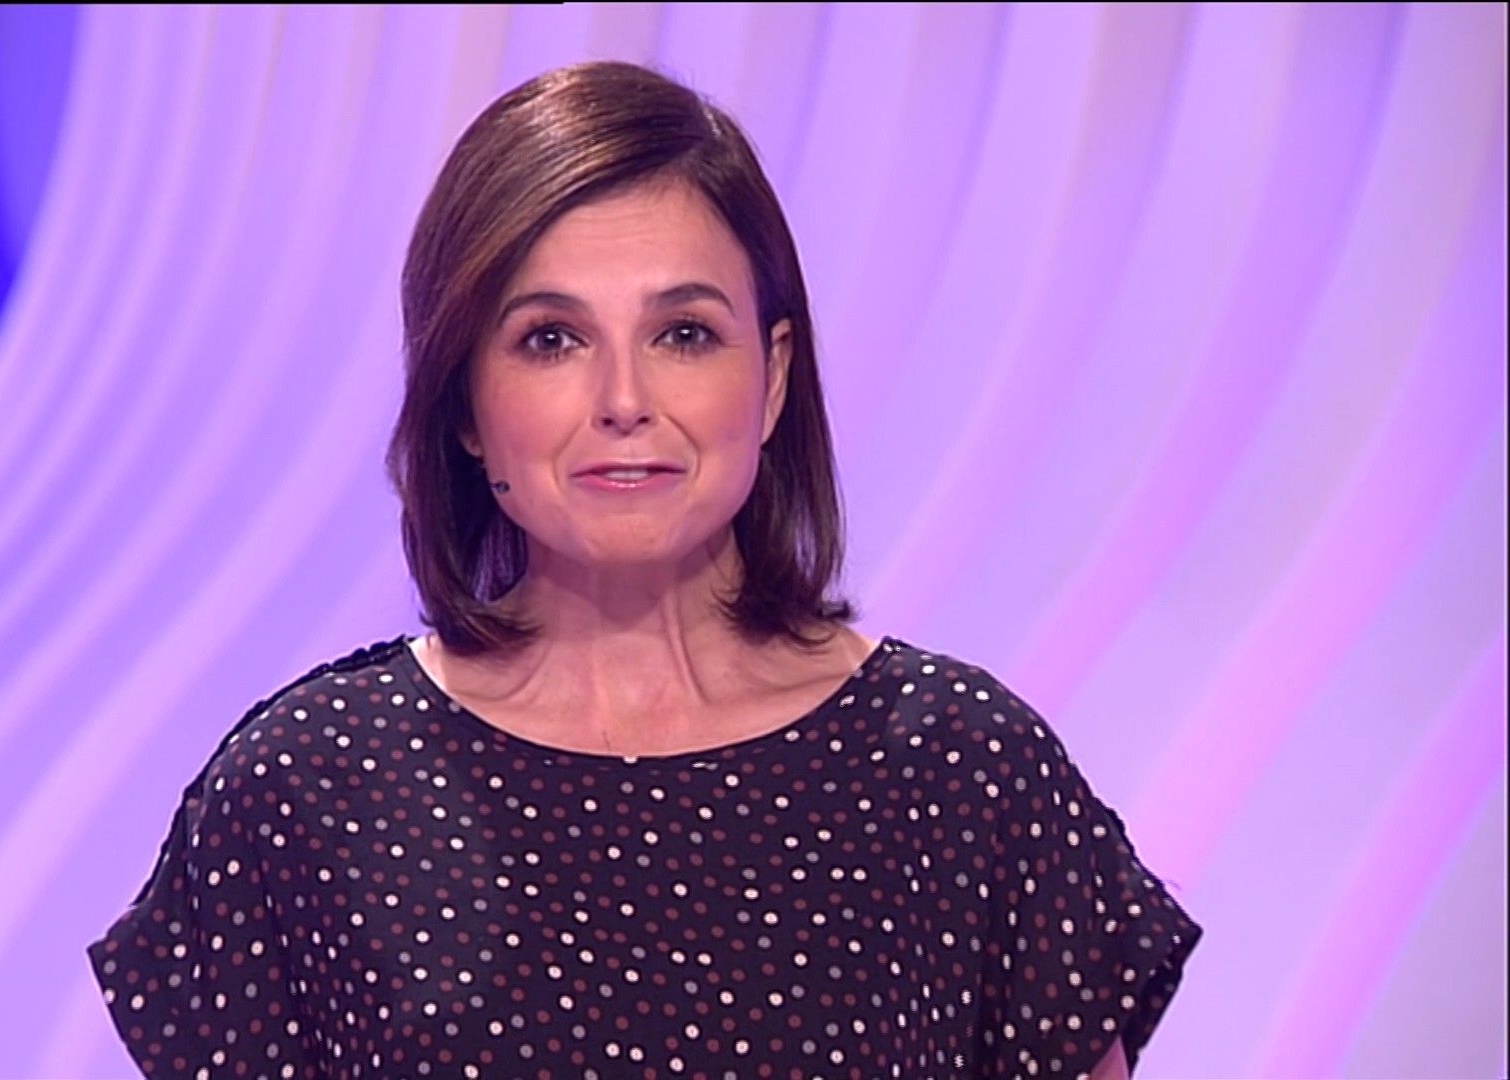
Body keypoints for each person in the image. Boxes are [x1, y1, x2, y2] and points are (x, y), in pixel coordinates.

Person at [89, 60, 1200, 1080]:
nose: (624, 400)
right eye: (551, 339)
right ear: (464, 402)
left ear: (771, 377)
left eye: (683, 334)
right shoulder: (308, 788)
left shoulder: (962, 770)